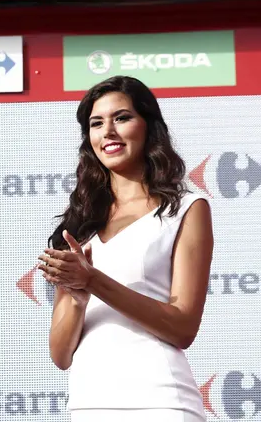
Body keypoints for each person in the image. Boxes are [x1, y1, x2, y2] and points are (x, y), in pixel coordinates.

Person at [38, 75, 212, 422]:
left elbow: (183, 328)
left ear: (149, 126)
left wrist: (93, 282)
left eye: (122, 117)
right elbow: (61, 355)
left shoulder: (188, 208)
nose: (108, 132)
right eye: (96, 123)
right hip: (89, 405)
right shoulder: (79, 223)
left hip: (162, 403)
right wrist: (76, 296)